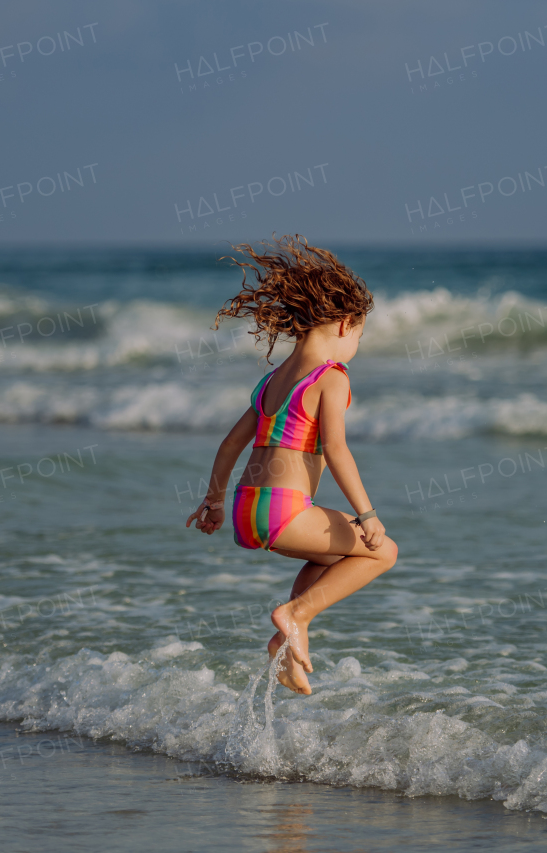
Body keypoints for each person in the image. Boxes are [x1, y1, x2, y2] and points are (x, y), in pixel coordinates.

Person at [185, 235, 398, 695]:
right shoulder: (331, 378)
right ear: (345, 325)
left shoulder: (271, 380)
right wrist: (368, 515)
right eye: (360, 335)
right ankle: (295, 617)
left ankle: (286, 636)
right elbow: (338, 451)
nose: (356, 345)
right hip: (286, 512)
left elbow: (229, 444)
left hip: (247, 510)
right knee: (383, 551)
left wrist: (215, 502)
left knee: (331, 556)